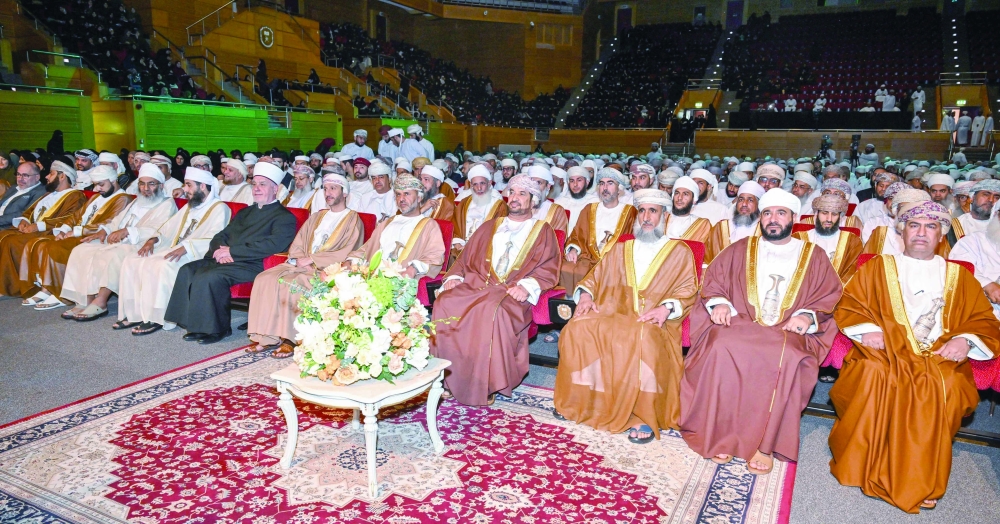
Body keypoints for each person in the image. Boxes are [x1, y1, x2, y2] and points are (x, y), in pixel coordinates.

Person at [828, 200, 999, 513]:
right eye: (914, 226)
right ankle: (863, 461)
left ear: (941, 234)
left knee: (944, 383)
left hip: (938, 354)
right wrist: (867, 329)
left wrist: (964, 339)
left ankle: (920, 477)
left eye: (931, 226)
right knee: (872, 374)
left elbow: (983, 318)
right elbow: (850, 304)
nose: (922, 233)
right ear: (902, 231)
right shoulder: (878, 266)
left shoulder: (959, 277)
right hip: (885, 350)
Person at [680, 188, 843, 475]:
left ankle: (764, 444)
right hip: (740, 321)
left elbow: (829, 294)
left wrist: (807, 316)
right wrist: (719, 304)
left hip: (789, 330)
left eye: (781, 213)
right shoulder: (742, 247)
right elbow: (713, 281)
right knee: (720, 344)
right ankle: (721, 434)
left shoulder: (813, 254)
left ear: (794, 218)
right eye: (767, 213)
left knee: (790, 355)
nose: (773, 219)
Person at [552, 188, 699, 442]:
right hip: (614, 310)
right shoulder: (622, 248)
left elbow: (688, 289)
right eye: (642, 211)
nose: (646, 217)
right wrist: (586, 294)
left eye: (653, 211)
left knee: (642, 337)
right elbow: (596, 277)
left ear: (664, 216)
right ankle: (583, 401)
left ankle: (643, 414)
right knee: (578, 327)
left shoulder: (680, 251)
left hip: (653, 319)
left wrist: (666, 308)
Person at [432, 174, 561, 406]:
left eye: (522, 194)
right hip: (477, 284)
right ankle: (448, 378)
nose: (515, 198)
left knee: (491, 310)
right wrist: (453, 276)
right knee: (445, 302)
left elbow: (549, 269)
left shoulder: (543, 231)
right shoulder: (490, 226)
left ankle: (486, 382)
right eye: (512, 192)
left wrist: (526, 286)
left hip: (510, 292)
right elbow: (464, 258)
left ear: (534, 201)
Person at [165, 162, 297, 344]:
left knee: (211, 276)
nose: (256, 189)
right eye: (255, 184)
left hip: (254, 264)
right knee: (187, 269)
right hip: (229, 258)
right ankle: (193, 324)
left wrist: (233, 252)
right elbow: (222, 234)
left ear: (275, 188)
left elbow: (272, 245)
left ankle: (219, 329)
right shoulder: (245, 212)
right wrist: (220, 251)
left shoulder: (285, 217)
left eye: (263, 185)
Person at [245, 172, 365, 358]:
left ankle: (291, 339)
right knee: (263, 278)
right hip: (301, 264)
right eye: (326, 189)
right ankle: (266, 337)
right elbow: (299, 241)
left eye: (333, 188)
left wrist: (314, 260)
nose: (328, 193)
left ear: (345, 193)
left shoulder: (352, 219)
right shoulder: (317, 216)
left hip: (327, 269)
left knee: (292, 284)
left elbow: (347, 250)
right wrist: (301, 259)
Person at [116, 167, 232, 335]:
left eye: (189, 185)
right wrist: (152, 240)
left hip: (195, 254)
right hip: (174, 249)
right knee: (132, 260)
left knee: (162, 266)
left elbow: (215, 239)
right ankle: (135, 313)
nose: (185, 190)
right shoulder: (190, 206)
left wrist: (186, 247)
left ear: (203, 186)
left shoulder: (220, 209)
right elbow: (167, 228)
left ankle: (159, 317)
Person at [59, 164, 178, 321]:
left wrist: (128, 231)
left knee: (113, 255)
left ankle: (101, 301)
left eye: (151, 183)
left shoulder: (167, 204)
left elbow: (160, 230)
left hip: (141, 244)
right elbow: (116, 221)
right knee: (82, 250)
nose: (146, 188)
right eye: (142, 183)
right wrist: (104, 231)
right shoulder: (136, 202)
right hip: (120, 240)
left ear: (161, 185)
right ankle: (84, 299)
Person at [14, 166, 133, 309]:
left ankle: (61, 294)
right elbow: (75, 216)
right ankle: (47, 288)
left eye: (101, 184)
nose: (97, 189)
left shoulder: (122, 198)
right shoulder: (96, 197)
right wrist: (64, 230)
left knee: (55, 247)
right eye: (96, 184)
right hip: (78, 234)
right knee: (41, 244)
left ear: (113, 181)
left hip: (94, 237)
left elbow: (108, 223)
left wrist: (76, 232)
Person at [0, 161, 87, 306]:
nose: (46, 176)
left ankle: (20, 287)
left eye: (51, 173)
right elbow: (28, 212)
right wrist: (23, 221)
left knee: (12, 241)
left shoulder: (75, 196)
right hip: (32, 229)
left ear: (62, 176)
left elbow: (69, 218)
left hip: (49, 231)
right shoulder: (48, 194)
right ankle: (6, 284)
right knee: (3, 236)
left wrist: (38, 226)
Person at [559, 168, 637, 292]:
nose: (604, 188)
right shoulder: (589, 208)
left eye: (610, 183)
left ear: (619, 188)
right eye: (601, 183)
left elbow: (632, 243)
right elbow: (577, 234)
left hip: (614, 262)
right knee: (565, 268)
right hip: (587, 257)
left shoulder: (630, 212)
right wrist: (573, 249)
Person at [792, 193, 862, 283]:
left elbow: (852, 276)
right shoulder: (799, 238)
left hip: (838, 292)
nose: (829, 219)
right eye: (824, 213)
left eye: (834, 214)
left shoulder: (852, 241)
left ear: (840, 217)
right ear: (816, 214)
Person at [864, 188, 952, 258]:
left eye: (914, 209)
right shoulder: (879, 234)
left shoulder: (936, 238)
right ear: (897, 210)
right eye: (904, 208)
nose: (921, 233)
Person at [950, 199, 1000, 320]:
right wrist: (986, 284)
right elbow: (959, 267)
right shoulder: (973, 240)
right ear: (995, 215)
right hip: (983, 314)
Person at [451, 164, 507, 262]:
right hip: (461, 247)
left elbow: (500, 232)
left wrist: (473, 247)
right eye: (475, 184)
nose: (479, 188)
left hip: (484, 249)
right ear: (471, 185)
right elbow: (456, 227)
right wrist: (458, 244)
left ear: (489, 183)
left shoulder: (499, 205)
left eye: (482, 183)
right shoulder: (464, 203)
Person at [704, 181, 765, 264]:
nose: (744, 204)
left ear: (758, 205)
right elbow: (707, 257)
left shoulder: (763, 231)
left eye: (750, 200)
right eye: (741, 199)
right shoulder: (721, 227)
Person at [0, 161, 47, 230]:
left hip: (8, 227)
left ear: (37, 177)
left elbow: (25, 213)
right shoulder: (14, 188)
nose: (20, 179)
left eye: (25, 175)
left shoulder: (41, 192)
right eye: (18, 174)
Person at [663, 176, 711, 243]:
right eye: (677, 193)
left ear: (694, 200)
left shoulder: (700, 225)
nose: (680, 198)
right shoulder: (663, 219)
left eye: (685, 194)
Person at [527, 165, 569, 235]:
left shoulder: (557, 211)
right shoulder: (519, 205)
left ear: (548, 186)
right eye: (531, 183)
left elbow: (557, 241)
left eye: (539, 183)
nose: (534, 187)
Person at [554, 166, 598, 232]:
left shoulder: (595, 202)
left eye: (579, 180)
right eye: (572, 181)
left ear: (587, 182)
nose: (575, 184)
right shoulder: (559, 202)